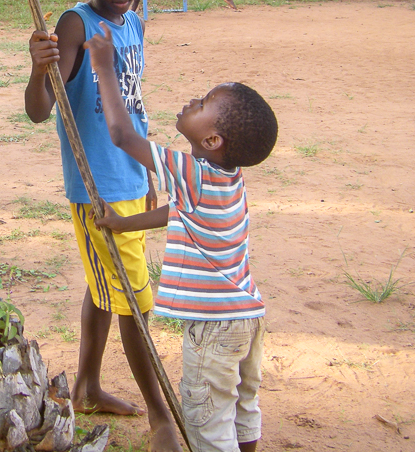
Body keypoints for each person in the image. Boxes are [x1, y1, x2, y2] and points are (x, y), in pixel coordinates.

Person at [25, 0, 181, 452]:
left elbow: (133, 104)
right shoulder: (77, 24)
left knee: (106, 287)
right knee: (135, 301)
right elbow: (40, 111)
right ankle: (161, 416)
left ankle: (87, 385)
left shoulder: (132, 24)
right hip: (98, 193)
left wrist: (151, 169)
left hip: (131, 178)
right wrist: (37, 69)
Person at [84, 26, 278, 452]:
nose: (193, 100)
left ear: (212, 140)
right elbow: (180, 213)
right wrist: (126, 223)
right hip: (248, 317)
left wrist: (104, 67)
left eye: (204, 102)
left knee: (207, 423)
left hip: (213, 329)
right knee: (242, 409)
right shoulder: (227, 179)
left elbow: (122, 136)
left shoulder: (192, 172)